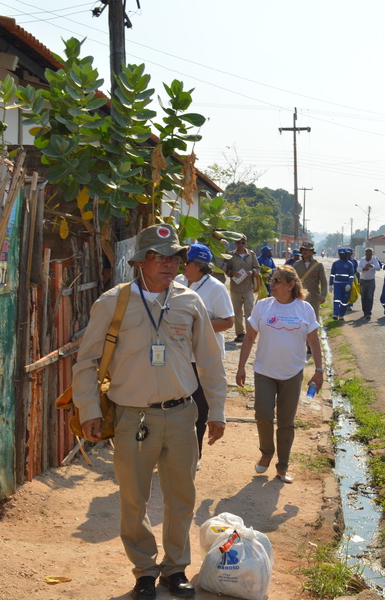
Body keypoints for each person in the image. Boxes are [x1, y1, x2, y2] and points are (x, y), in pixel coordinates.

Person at [72, 224, 227, 600]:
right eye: (159, 257)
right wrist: (90, 409)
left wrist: (218, 410)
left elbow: (210, 360)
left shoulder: (190, 301)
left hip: (181, 414)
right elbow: (86, 361)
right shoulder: (114, 302)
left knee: (181, 498)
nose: (169, 264)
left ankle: (175, 570)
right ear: (141, 261)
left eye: (174, 257)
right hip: (132, 417)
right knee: (133, 498)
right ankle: (144, 571)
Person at [235, 265, 324, 485]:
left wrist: (319, 371)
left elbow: (313, 341)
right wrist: (241, 366)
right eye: (271, 280)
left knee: (286, 421)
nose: (271, 284)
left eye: (276, 281)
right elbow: (249, 337)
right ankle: (267, 452)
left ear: (291, 285)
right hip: (264, 371)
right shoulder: (263, 306)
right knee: (263, 414)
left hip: (293, 373)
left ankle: (282, 466)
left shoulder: (304, 309)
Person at [175, 244, 234, 467]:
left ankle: (195, 455)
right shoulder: (177, 283)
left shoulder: (216, 289)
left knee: (199, 407)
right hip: (179, 356)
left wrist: (195, 325)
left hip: (202, 358)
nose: (181, 266)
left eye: (186, 262)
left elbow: (228, 321)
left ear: (198, 266)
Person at [225, 235, 260, 343]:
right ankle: (240, 333)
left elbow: (257, 268)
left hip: (248, 287)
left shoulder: (251, 255)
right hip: (235, 287)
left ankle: (250, 335)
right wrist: (231, 273)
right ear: (235, 243)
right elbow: (227, 269)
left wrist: (252, 272)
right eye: (238, 242)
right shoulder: (230, 255)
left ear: (246, 243)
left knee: (249, 311)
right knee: (237, 312)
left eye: (243, 242)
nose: (240, 245)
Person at [292, 241, 328, 323]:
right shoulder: (296, 265)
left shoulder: (318, 265)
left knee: (313, 321)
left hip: (314, 297)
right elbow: (292, 281)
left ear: (312, 252)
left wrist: (323, 295)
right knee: (299, 321)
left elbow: (323, 282)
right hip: (299, 297)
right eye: (303, 249)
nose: (304, 251)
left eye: (307, 250)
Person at [329, 248, 355, 320]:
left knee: (344, 301)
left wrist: (349, 284)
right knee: (337, 299)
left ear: (345, 254)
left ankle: (341, 315)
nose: (341, 256)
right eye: (340, 254)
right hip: (337, 284)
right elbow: (332, 275)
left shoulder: (349, 264)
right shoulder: (335, 263)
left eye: (343, 254)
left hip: (346, 284)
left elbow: (351, 275)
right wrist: (330, 284)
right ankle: (335, 313)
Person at [357, 247, 382, 320]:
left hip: (371, 281)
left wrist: (372, 266)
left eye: (370, 255)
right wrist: (363, 269)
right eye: (367, 255)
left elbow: (378, 268)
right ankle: (365, 311)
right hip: (363, 280)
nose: (368, 256)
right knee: (363, 297)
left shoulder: (374, 259)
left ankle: (368, 312)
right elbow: (358, 269)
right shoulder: (362, 259)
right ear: (365, 254)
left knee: (370, 297)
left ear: (372, 254)